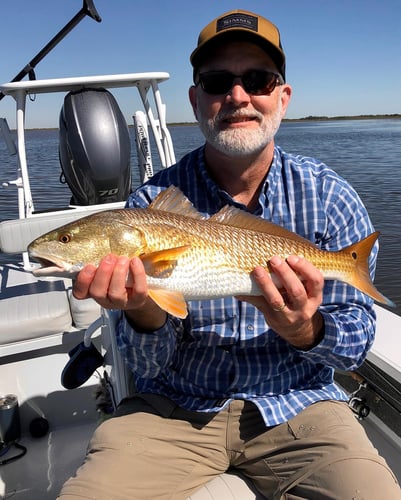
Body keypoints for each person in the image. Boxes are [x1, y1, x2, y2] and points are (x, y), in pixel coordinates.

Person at [59, 9, 401, 500]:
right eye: (218, 81)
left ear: (282, 98)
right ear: (197, 100)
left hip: (300, 404)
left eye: (258, 80)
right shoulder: (148, 206)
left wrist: (305, 328)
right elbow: (147, 366)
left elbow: (356, 343)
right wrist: (141, 308)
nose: (237, 97)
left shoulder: (331, 198)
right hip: (176, 408)